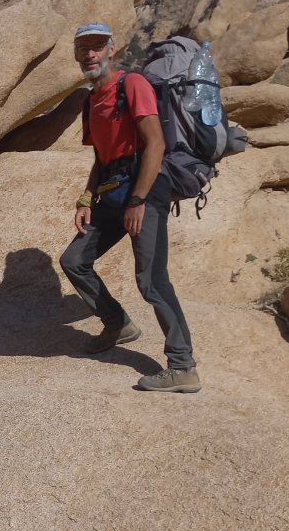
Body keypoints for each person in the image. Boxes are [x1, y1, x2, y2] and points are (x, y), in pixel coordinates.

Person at [58, 22, 201, 393]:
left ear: (111, 49)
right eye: (83, 48)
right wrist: (87, 198)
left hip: (144, 189)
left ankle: (183, 366)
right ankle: (118, 324)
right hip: (112, 190)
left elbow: (155, 144)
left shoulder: (131, 84)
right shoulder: (91, 100)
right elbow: (100, 157)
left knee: (152, 281)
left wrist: (138, 200)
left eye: (97, 46)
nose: (90, 53)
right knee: (74, 260)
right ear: (76, 54)